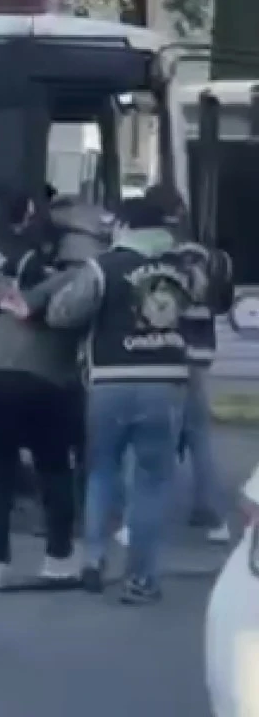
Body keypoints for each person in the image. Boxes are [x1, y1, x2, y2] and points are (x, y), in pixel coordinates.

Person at [44, 196, 191, 604]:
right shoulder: (183, 269)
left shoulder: (103, 267)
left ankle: (93, 557)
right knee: (152, 482)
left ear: (124, 225)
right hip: (166, 384)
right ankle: (141, 580)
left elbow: (62, 313)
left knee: (101, 470)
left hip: (109, 380)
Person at [0, 198, 105, 590]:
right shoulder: (83, 279)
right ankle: (58, 557)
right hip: (40, 378)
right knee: (54, 468)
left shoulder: (31, 276)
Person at [153, 185, 235, 543]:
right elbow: (222, 303)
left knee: (159, 438)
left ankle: (147, 516)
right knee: (198, 436)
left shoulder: (158, 254)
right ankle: (210, 513)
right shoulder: (211, 257)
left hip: (167, 352)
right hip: (200, 353)